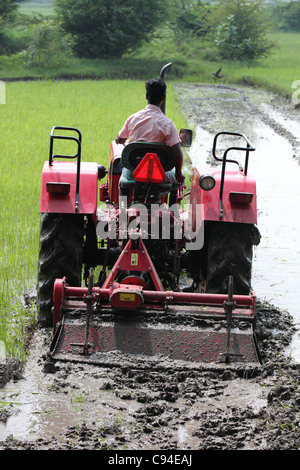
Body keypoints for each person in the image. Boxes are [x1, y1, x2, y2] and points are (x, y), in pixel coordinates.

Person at [115, 78, 185, 198]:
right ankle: (174, 211)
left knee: (123, 180)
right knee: (181, 178)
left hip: (134, 174)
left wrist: (119, 139)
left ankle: (123, 211)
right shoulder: (168, 124)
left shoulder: (133, 119)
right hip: (160, 175)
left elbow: (120, 139)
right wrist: (178, 174)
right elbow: (178, 155)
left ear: (147, 96)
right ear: (163, 98)